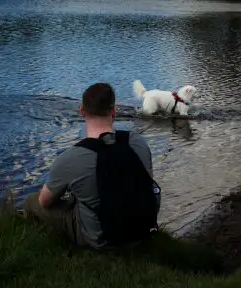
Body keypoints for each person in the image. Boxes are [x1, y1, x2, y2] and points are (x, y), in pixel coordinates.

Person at [23, 82, 160, 249]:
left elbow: (45, 202)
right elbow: (148, 183)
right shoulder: (138, 142)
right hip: (142, 231)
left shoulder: (70, 158)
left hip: (102, 239)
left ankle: (36, 238)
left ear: (82, 111)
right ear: (114, 112)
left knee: (32, 202)